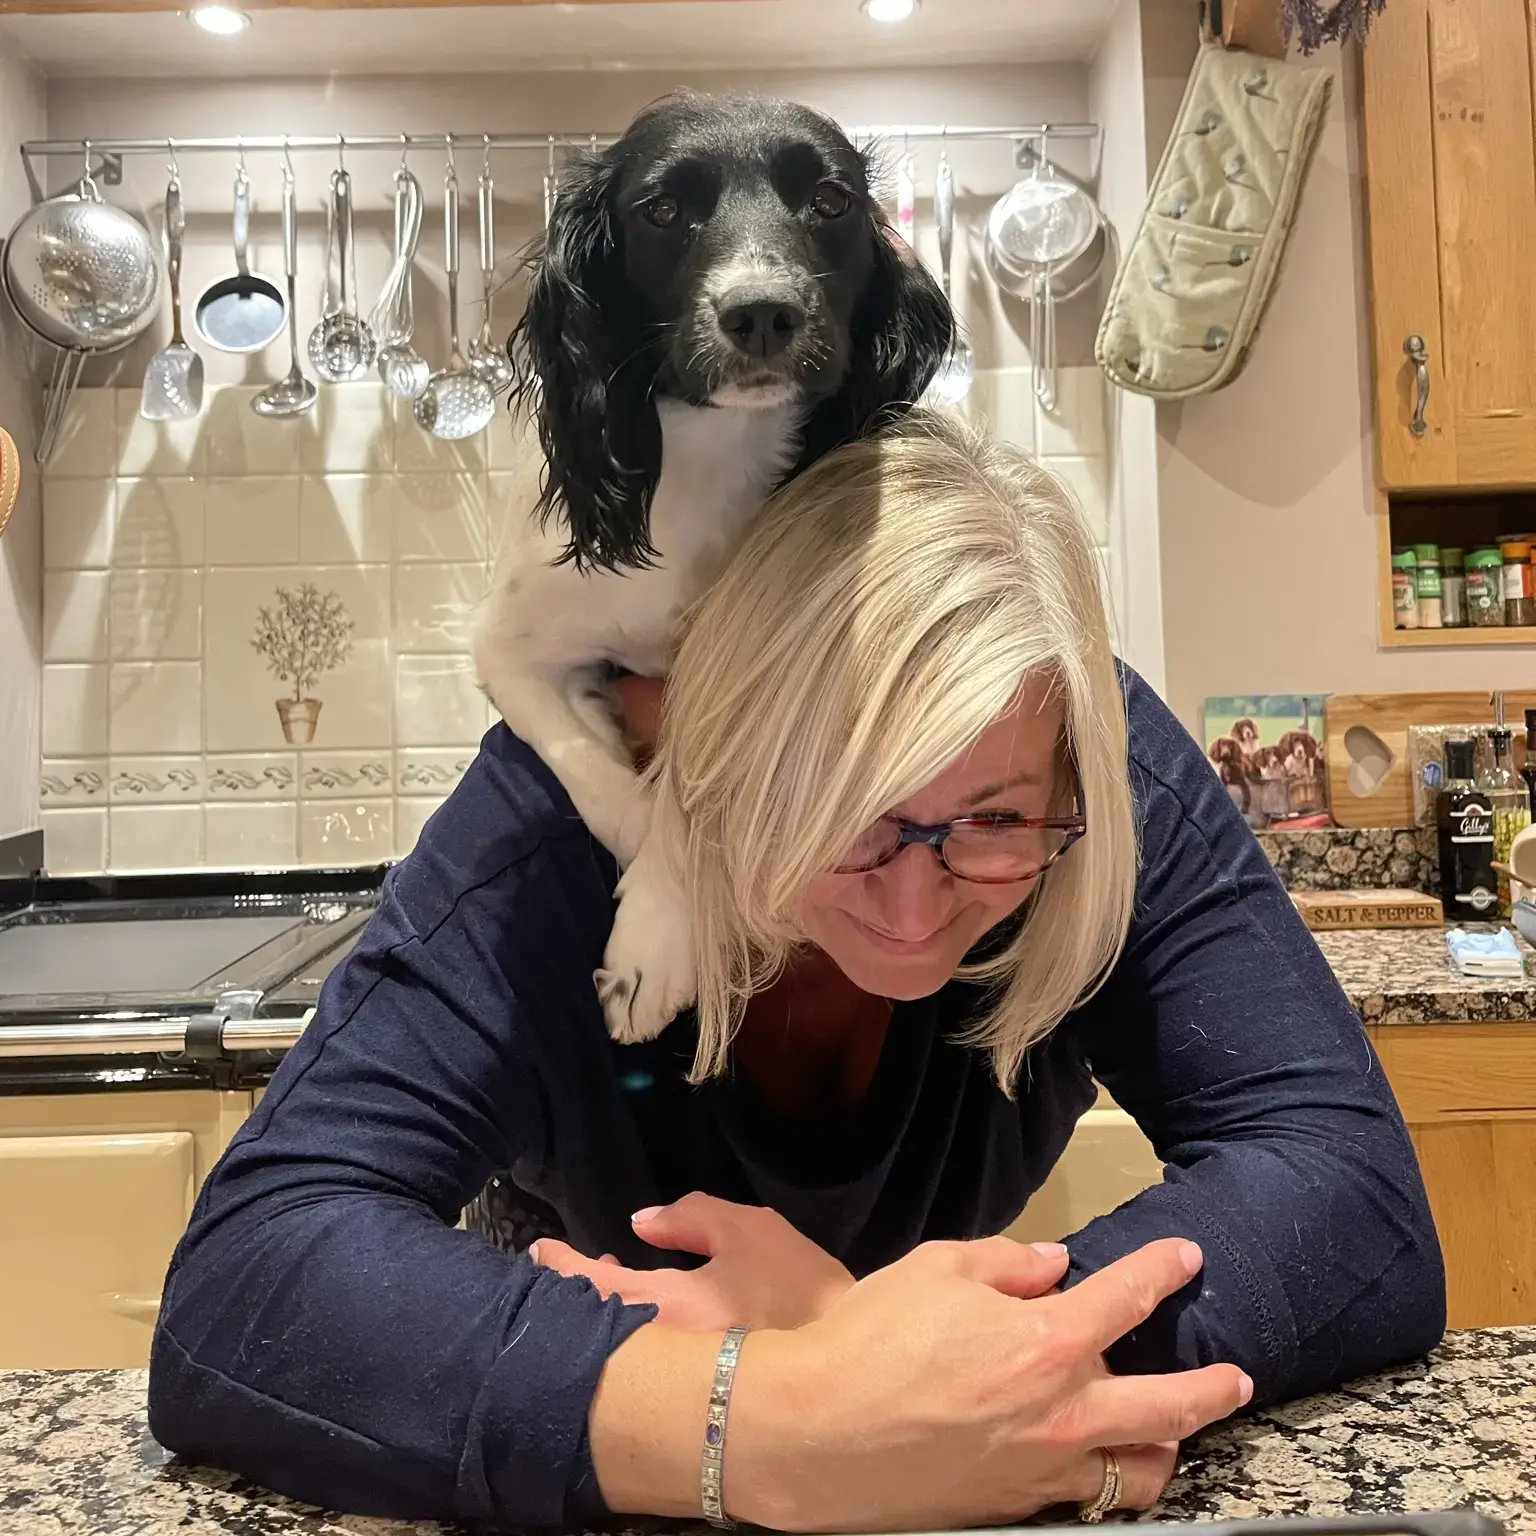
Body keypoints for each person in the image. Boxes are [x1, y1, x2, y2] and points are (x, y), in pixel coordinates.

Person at [147, 413, 1444, 1533]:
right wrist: (762, 1413)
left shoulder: (1086, 758)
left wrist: (921, 1377)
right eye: (844, 810)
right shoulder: (563, 821)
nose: (916, 898)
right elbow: (252, 1284)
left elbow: (1349, 1192)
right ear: (709, 754)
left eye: (993, 823)